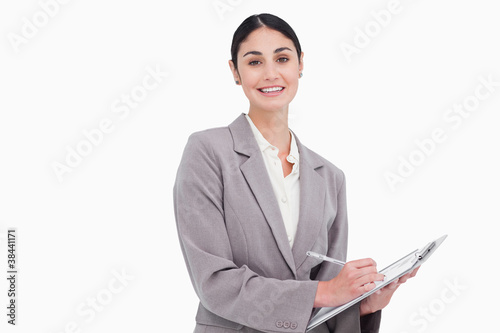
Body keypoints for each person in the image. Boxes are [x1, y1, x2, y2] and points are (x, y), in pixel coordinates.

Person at [174, 13, 418, 333]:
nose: (271, 73)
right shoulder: (207, 152)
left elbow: (325, 298)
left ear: (300, 64)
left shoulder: (330, 177)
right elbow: (214, 282)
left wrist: (361, 306)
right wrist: (325, 292)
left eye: (283, 58)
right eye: (254, 62)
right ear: (235, 71)